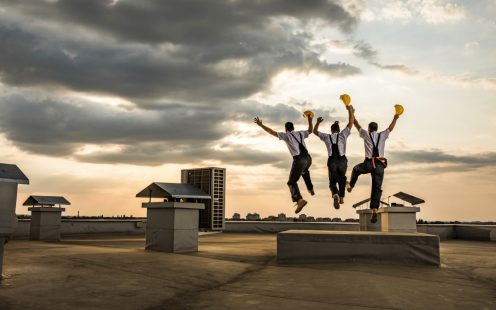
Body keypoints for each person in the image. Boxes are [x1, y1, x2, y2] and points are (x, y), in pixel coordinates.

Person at [346, 111, 400, 223]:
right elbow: (390, 128)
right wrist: (395, 117)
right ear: (376, 128)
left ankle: (350, 185)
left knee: (356, 169)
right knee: (377, 188)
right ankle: (374, 209)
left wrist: (352, 113)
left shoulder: (366, 134)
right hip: (379, 165)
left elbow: (356, 124)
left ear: (369, 128)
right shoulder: (383, 135)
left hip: (369, 163)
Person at [253, 115, 314, 214]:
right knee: (304, 171)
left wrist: (261, 125)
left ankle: (299, 200)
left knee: (291, 182)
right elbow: (310, 130)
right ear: (293, 128)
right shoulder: (300, 133)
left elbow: (271, 132)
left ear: (286, 129)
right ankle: (310, 189)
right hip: (308, 158)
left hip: (299, 160)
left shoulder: (286, 135)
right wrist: (310, 119)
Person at [313, 105, 354, 209]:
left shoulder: (327, 137)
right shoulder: (343, 135)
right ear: (339, 129)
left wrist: (317, 122)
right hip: (342, 161)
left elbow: (315, 131)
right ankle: (341, 198)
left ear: (331, 131)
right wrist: (350, 111)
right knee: (342, 178)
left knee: (332, 182)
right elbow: (351, 123)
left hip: (332, 161)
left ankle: (335, 194)